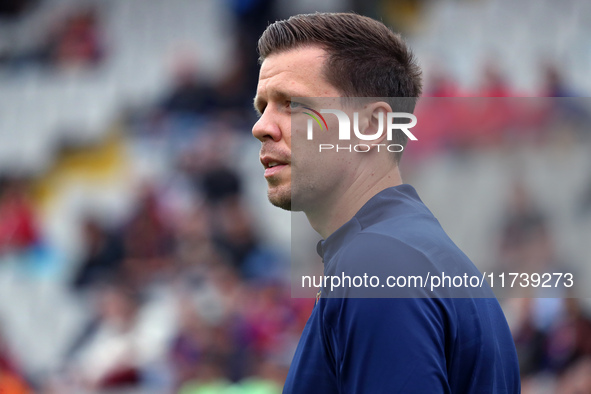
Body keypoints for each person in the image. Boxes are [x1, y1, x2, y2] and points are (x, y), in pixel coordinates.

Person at [252, 12, 520, 393]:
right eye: (261, 106)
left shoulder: (376, 264)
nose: (261, 125)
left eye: (291, 104)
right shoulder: (412, 253)